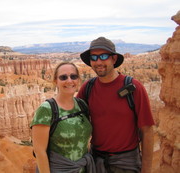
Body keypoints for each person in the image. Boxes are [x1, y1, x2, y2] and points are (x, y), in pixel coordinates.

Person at [76, 37, 155, 173]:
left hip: (126, 162)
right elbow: (71, 117)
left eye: (103, 56)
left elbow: (147, 130)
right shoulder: (87, 88)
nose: (98, 62)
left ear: (113, 59)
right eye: (94, 57)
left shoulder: (133, 87)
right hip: (96, 160)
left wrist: (146, 169)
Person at [31, 62, 96, 173]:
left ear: (78, 79)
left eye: (73, 76)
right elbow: (39, 151)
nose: (69, 81)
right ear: (56, 81)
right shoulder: (47, 109)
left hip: (83, 169)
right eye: (63, 77)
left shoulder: (82, 105)